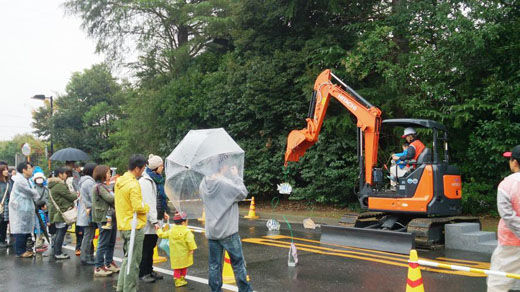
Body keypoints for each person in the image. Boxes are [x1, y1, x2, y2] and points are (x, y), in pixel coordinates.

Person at [199, 157, 253, 292]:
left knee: (214, 265)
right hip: (228, 231)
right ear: (222, 167)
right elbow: (242, 193)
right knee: (238, 264)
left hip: (212, 232)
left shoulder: (203, 184)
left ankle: (215, 290)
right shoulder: (225, 183)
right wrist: (236, 177)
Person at [115, 154, 150, 292]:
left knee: (127, 260)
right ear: (137, 168)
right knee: (134, 262)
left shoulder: (120, 181)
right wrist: (146, 207)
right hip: (134, 226)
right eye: (143, 168)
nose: (143, 171)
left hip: (124, 224)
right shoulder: (133, 184)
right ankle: (130, 289)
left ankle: (121, 288)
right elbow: (138, 207)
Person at [487, 145, 520, 292]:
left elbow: (507, 215)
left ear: (515, 162)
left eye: (510, 159)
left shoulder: (507, 184)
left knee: (497, 283)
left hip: (511, 244)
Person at [138, 154, 168, 283]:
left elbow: (159, 200)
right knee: (146, 247)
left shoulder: (157, 179)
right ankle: (143, 272)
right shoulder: (146, 181)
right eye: (161, 166)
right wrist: (154, 220)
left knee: (151, 246)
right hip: (149, 220)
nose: (163, 168)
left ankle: (149, 270)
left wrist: (163, 212)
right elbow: (148, 202)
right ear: (156, 167)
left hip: (156, 217)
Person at [91, 165, 120, 277]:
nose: (109, 174)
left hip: (110, 217)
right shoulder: (99, 187)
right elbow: (110, 198)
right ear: (102, 174)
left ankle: (108, 263)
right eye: (108, 173)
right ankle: (98, 266)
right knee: (103, 242)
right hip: (104, 218)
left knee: (111, 241)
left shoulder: (105, 186)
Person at [157, 211, 197, 288]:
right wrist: (192, 248)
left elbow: (162, 235)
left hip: (175, 254)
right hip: (184, 253)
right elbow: (190, 241)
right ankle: (181, 279)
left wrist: (159, 229)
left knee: (177, 268)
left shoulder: (172, 230)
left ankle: (177, 280)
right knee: (184, 266)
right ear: (183, 222)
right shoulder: (186, 231)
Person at [8, 162, 38, 258]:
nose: (31, 170)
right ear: (24, 170)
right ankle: (20, 251)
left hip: (24, 208)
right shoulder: (20, 180)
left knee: (25, 230)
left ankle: (23, 250)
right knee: (20, 230)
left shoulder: (26, 179)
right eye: (30, 168)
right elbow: (30, 192)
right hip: (19, 209)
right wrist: (37, 197)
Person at [48, 167, 77, 260]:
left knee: (59, 232)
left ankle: (56, 251)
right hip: (61, 212)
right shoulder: (59, 185)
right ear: (60, 174)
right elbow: (70, 196)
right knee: (61, 232)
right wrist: (77, 194)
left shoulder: (53, 184)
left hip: (57, 212)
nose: (66, 175)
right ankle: (58, 252)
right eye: (64, 173)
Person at [77, 163, 98, 265]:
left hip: (85, 211)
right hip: (88, 212)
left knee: (89, 235)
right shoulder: (89, 182)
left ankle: (88, 256)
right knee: (88, 236)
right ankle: (85, 257)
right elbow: (93, 198)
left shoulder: (84, 181)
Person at [65, 167, 83, 256]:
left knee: (78, 227)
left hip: (73, 205)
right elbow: (77, 192)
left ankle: (78, 247)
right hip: (75, 205)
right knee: (79, 227)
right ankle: (79, 247)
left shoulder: (66, 181)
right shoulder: (72, 180)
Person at [33, 171, 49, 252]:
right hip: (37, 210)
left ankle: (41, 242)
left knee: (43, 226)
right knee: (38, 226)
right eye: (38, 178)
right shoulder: (33, 189)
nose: (39, 180)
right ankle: (38, 243)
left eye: (41, 178)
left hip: (45, 209)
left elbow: (48, 198)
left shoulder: (46, 188)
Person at [0, 163, 12, 248]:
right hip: (1, 205)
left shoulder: (9, 182)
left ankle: (2, 240)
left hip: (7, 206)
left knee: (4, 223)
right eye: (4, 170)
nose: (6, 171)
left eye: (7, 169)